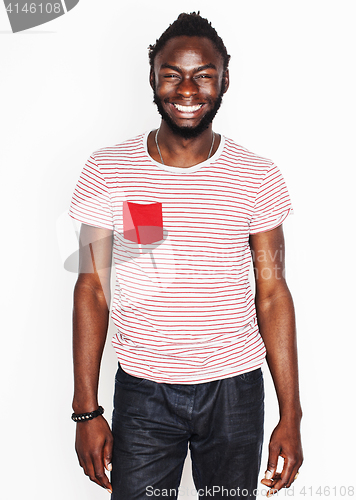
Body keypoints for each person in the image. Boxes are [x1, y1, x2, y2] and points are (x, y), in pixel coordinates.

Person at [69, 12, 303, 500]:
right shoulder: (111, 169)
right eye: (172, 73)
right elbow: (92, 286)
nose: (187, 89)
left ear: (225, 80)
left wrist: (291, 414)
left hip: (235, 391)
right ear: (152, 78)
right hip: (144, 392)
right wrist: (87, 409)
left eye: (204, 75)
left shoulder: (256, 176)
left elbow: (273, 291)